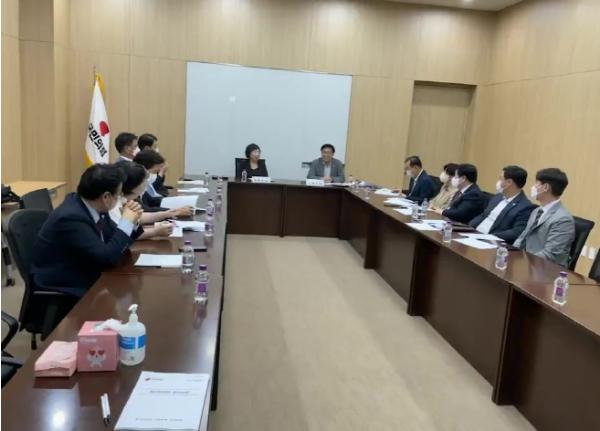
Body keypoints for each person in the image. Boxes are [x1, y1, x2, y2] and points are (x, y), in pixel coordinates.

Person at [31, 164, 143, 297]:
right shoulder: (71, 218)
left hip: (85, 266)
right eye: (119, 194)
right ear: (106, 197)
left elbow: (113, 240)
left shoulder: (95, 206)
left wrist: (132, 222)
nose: (121, 198)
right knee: (128, 292)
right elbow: (108, 257)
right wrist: (126, 222)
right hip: (65, 281)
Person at [514, 168, 575, 267]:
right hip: (527, 262)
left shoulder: (563, 220)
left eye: (536, 184)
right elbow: (522, 237)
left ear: (545, 187)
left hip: (545, 269)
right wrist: (512, 253)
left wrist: (522, 261)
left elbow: (550, 255)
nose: (533, 187)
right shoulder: (536, 211)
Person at [468, 166, 536, 244]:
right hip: (475, 236)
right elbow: (483, 215)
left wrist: (488, 237)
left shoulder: (525, 206)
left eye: (501, 179)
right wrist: (468, 228)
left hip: (492, 242)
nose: (498, 182)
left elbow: (516, 231)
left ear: (509, 182)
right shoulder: (497, 197)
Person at [111, 161, 177, 239]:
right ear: (134, 185)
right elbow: (123, 234)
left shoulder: (123, 200)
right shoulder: (113, 205)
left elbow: (137, 219)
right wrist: (154, 231)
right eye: (143, 181)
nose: (146, 185)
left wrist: (165, 214)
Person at [133, 150, 194, 217]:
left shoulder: (142, 184)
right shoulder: (134, 186)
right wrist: (175, 211)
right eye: (154, 172)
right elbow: (145, 210)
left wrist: (175, 201)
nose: (156, 174)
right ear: (144, 169)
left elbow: (152, 200)